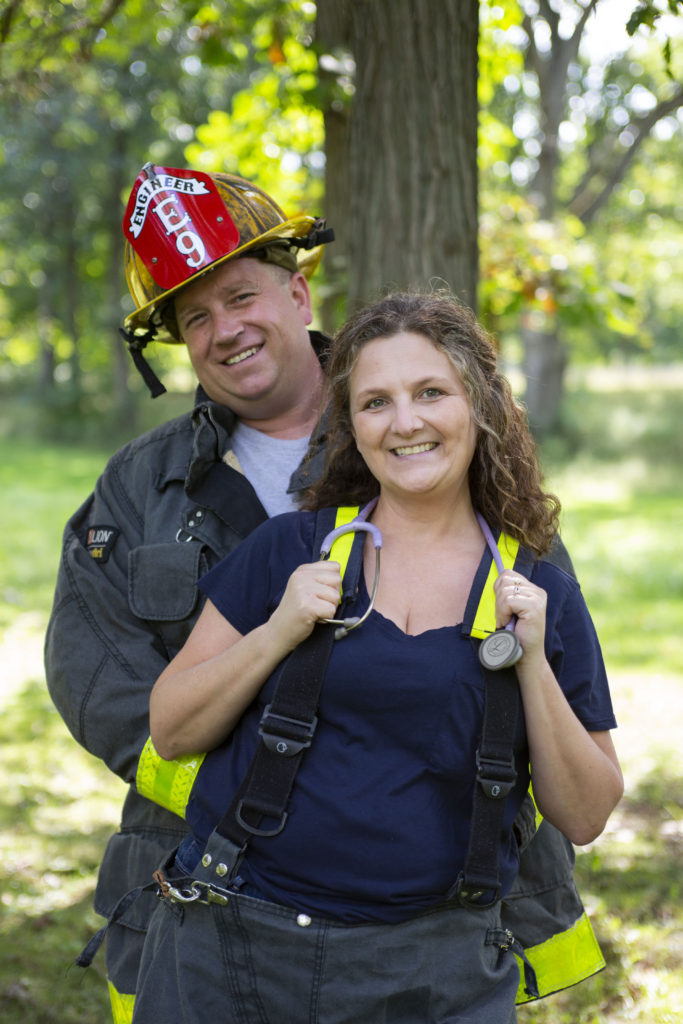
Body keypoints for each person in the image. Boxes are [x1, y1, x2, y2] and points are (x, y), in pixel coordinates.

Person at [129, 291, 624, 1024]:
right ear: (350, 426)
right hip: (232, 949)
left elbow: (583, 815)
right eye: (374, 403)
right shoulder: (292, 551)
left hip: (434, 971)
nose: (405, 423)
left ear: (477, 404)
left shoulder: (538, 590)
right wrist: (278, 631)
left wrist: (532, 664)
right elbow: (170, 730)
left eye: (430, 393)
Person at [44, 162, 334, 1023]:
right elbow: (95, 676)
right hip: (206, 878)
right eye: (194, 317)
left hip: (400, 886)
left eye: (240, 297)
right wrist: (249, 784)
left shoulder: (416, 432)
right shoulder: (139, 486)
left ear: (297, 295)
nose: (223, 331)